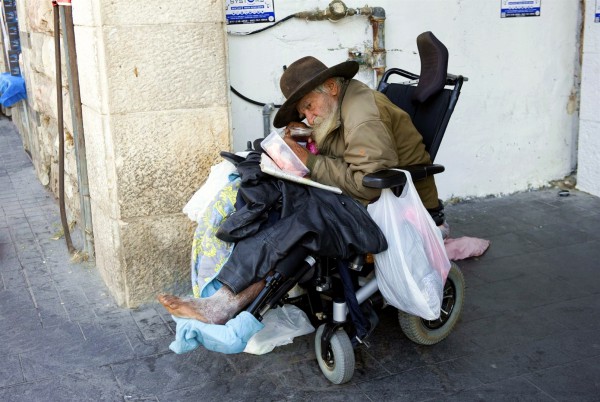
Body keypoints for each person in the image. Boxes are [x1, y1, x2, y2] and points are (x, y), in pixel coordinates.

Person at [158, 56, 443, 324]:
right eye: (304, 112)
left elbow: (367, 185)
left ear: (331, 86)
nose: (308, 115)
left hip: (392, 202)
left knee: (300, 220)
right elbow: (345, 144)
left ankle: (225, 303)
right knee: (270, 195)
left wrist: (308, 159)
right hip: (361, 194)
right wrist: (306, 135)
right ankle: (227, 296)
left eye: (309, 106)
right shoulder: (342, 101)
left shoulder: (363, 113)